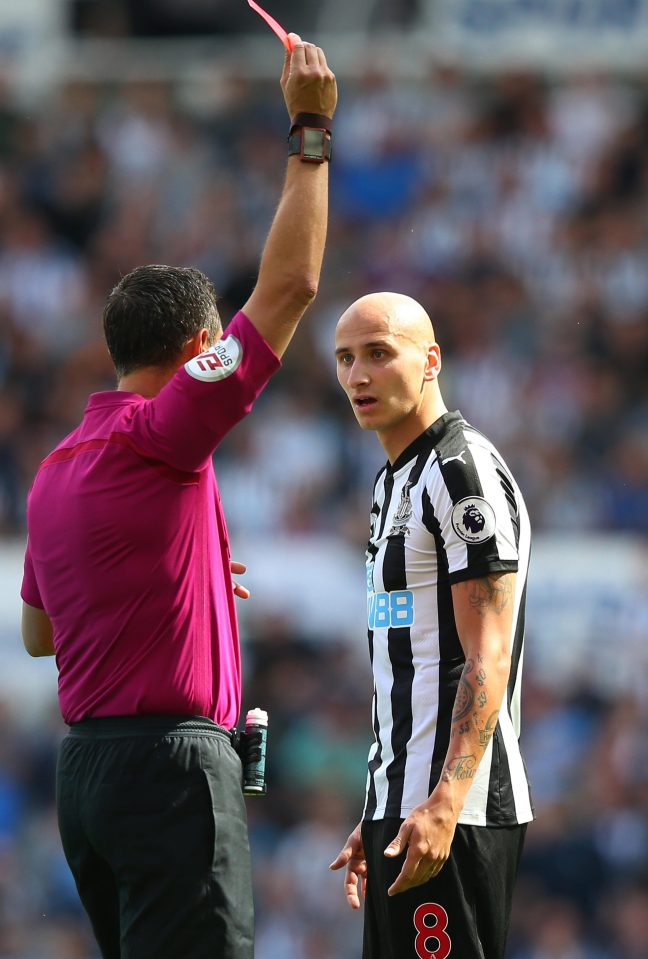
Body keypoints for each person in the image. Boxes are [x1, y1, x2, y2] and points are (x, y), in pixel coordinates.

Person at [20, 36, 336, 959]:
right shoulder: (161, 435)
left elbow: (43, 634)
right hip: (170, 769)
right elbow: (290, 288)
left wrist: (165, 583)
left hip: (86, 778)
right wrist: (310, 130)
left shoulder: (56, 467)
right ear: (199, 346)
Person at [330, 292, 534, 959]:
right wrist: (380, 801)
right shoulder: (394, 481)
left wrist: (444, 798)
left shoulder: (458, 471)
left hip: (453, 812)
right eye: (346, 358)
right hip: (402, 806)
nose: (359, 375)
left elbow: (487, 651)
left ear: (430, 360)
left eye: (380, 353)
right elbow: (404, 662)